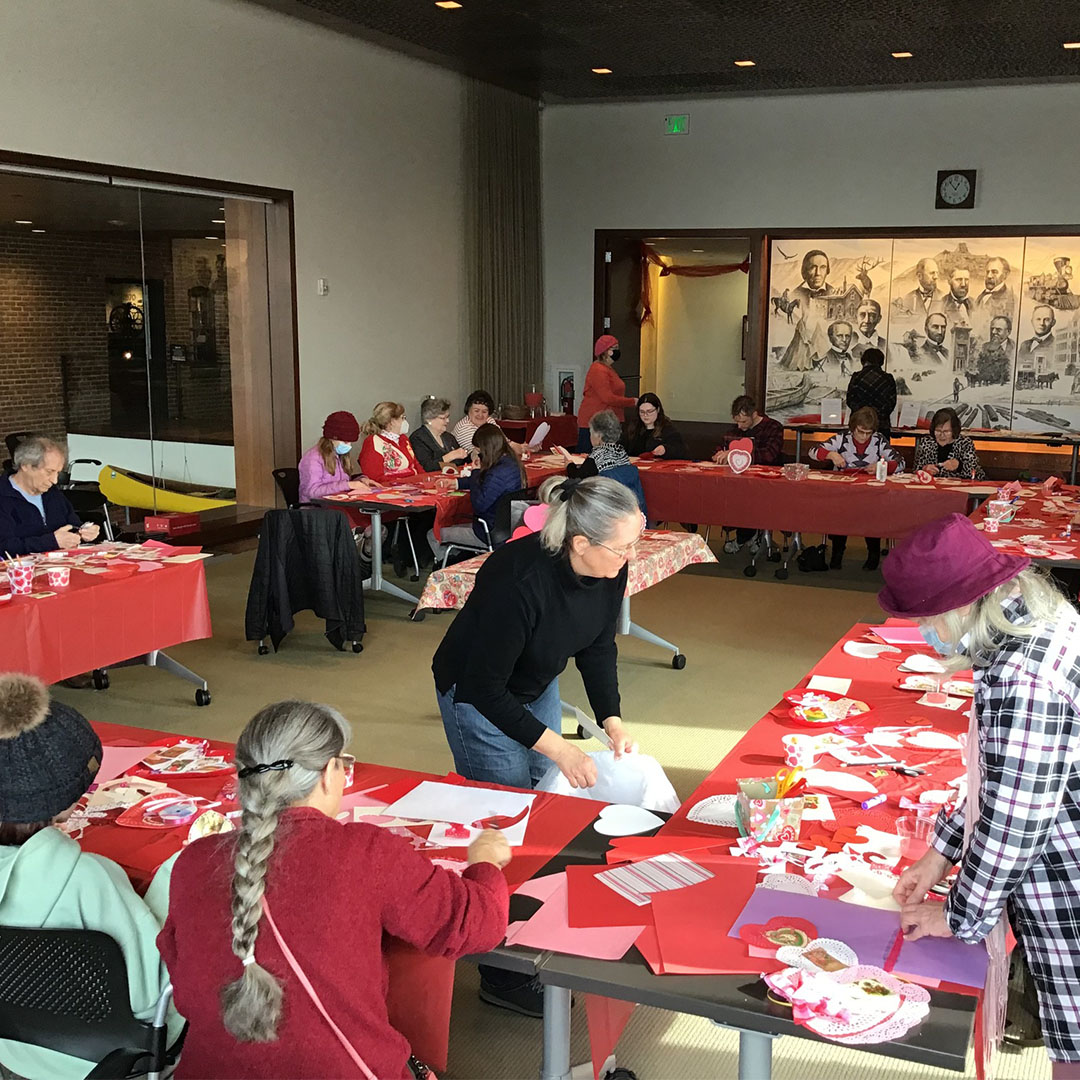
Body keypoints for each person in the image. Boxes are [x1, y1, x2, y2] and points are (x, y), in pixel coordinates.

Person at [159, 700, 509, 1080]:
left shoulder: (192, 862)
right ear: (329, 773)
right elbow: (478, 924)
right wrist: (486, 862)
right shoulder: (365, 853)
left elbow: (183, 978)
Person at [432, 475, 640, 1016]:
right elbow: (484, 689)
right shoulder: (517, 578)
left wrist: (611, 719)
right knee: (505, 816)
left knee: (540, 807)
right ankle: (498, 971)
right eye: (622, 546)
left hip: (534, 680)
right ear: (580, 543)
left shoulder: (610, 566)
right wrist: (560, 748)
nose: (630, 555)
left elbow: (598, 646)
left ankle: (533, 927)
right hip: (476, 695)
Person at [884, 515, 1080, 1080]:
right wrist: (940, 851)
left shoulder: (1023, 680)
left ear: (955, 608)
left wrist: (960, 914)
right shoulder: (1035, 619)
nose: (922, 635)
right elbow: (997, 780)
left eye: (923, 621)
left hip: (1064, 875)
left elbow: (1014, 824)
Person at [0, 674, 179, 1080]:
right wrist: (174, 875)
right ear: (62, 805)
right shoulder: (87, 879)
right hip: (104, 1056)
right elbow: (152, 996)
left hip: (10, 1049)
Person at [809, 406, 903, 571]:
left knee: (871, 514)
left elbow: (901, 462)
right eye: (860, 432)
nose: (864, 437)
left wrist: (883, 466)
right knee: (840, 514)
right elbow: (812, 451)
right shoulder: (842, 438)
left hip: (870, 490)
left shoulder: (878, 440)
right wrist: (831, 454)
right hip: (843, 491)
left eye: (868, 433)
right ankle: (838, 551)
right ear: (853, 428)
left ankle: (873, 552)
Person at [427, 422, 526, 563]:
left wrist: (475, 472)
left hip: (489, 532)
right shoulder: (511, 463)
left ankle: (450, 566)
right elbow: (486, 484)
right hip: (509, 528)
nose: (478, 454)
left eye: (478, 450)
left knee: (433, 534)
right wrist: (456, 483)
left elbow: (479, 504)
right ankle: (460, 558)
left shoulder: (497, 473)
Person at [359, 403, 433, 574]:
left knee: (433, 509)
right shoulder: (373, 443)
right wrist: (405, 479)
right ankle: (403, 554)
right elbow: (375, 478)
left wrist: (425, 480)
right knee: (422, 514)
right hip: (389, 497)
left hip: (412, 490)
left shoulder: (404, 440)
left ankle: (414, 556)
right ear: (391, 421)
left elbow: (416, 466)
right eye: (402, 418)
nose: (404, 421)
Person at [0, 435, 100, 555]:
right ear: (25, 465)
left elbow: (72, 525)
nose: (55, 480)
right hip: (19, 570)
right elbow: (4, 547)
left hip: (59, 566)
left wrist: (85, 532)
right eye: (49, 472)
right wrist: (52, 542)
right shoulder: (3, 496)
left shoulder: (52, 493)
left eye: (57, 473)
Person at [556, 410, 646, 514]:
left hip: (602, 505)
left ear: (599, 435)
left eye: (591, 432)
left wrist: (569, 466)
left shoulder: (597, 456)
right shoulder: (621, 452)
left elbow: (578, 480)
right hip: (623, 502)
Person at [297, 411, 372, 504]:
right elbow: (312, 492)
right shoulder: (313, 458)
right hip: (316, 511)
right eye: (345, 442)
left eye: (350, 442)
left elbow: (340, 483)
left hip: (337, 506)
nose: (349, 446)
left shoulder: (339, 455)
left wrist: (360, 480)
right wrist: (348, 485)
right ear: (332, 438)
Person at [577, 335, 637, 451]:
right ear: (606, 351)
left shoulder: (608, 369)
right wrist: (632, 401)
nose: (617, 350)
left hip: (608, 421)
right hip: (597, 422)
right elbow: (607, 397)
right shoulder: (598, 370)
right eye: (615, 347)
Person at [914, 407, 986, 479]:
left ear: (954, 430)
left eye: (946, 431)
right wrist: (925, 468)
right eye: (938, 431)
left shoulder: (965, 443)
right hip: (933, 486)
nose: (942, 435)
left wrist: (959, 466)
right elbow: (916, 469)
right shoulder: (927, 442)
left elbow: (972, 472)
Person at [845, 348, 897, 439]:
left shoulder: (857, 377)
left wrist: (862, 414)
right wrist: (877, 416)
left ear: (864, 360)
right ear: (881, 361)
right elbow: (891, 403)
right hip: (881, 425)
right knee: (881, 451)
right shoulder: (888, 378)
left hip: (859, 424)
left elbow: (850, 400)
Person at [410, 397, 470, 473]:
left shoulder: (449, 437)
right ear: (429, 419)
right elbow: (426, 467)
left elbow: (462, 461)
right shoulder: (418, 438)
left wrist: (473, 455)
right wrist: (451, 456)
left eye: (448, 417)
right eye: (443, 418)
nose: (448, 421)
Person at [621, 393, 687, 459]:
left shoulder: (668, 430)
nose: (645, 415)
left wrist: (665, 450)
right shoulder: (633, 428)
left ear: (657, 410)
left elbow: (681, 451)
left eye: (649, 411)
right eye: (642, 412)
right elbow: (621, 447)